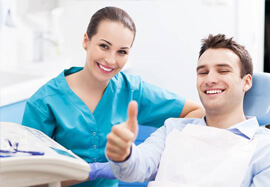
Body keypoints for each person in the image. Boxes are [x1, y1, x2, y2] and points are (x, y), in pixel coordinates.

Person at [22, 6, 204, 187]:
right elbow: (27, 179)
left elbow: (196, 111)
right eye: (104, 46)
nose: (111, 59)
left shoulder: (131, 90)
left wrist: (149, 153)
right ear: (86, 41)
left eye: (122, 51)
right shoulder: (44, 102)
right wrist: (92, 171)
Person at [106, 34, 270, 186]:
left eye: (223, 71)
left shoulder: (264, 148)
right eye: (203, 72)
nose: (210, 79)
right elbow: (138, 168)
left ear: (247, 82)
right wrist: (124, 154)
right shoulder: (173, 129)